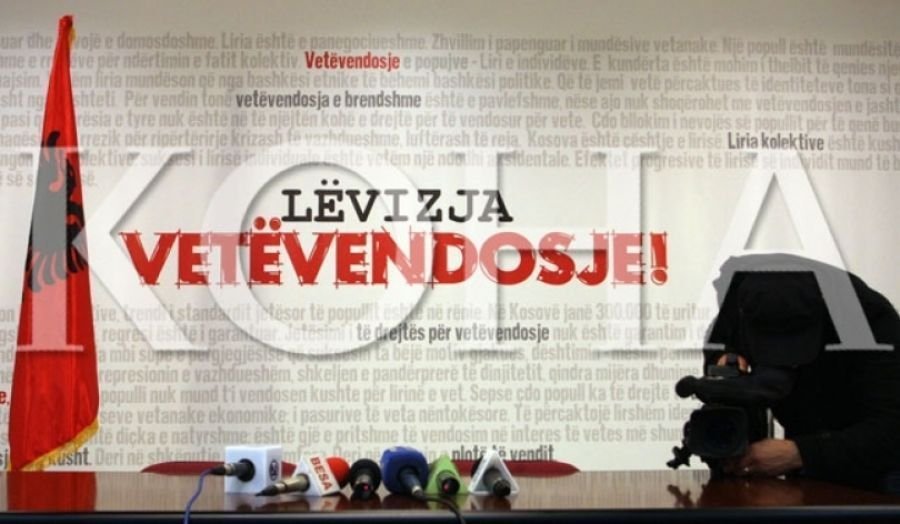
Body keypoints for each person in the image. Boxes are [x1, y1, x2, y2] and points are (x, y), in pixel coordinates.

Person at [702, 254, 900, 492]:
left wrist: (799, 453)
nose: (782, 357)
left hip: (879, 462)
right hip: (807, 444)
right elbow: (719, 342)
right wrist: (725, 360)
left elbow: (892, 429)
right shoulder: (743, 301)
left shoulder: (871, 320)